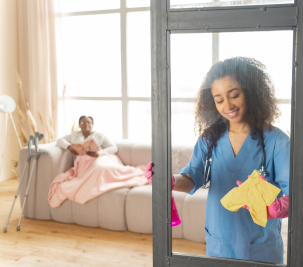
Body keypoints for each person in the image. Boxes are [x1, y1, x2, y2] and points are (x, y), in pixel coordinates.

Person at [147, 57, 289, 263]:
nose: (228, 105)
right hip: (219, 243)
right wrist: (170, 181)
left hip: (261, 247)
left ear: (251, 92)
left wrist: (281, 206)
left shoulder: (277, 141)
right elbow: (192, 178)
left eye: (234, 95)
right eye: (219, 99)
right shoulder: (209, 139)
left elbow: (301, 194)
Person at [49, 115, 148, 208]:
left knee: (101, 167)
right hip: (83, 162)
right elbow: (59, 141)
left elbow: (113, 147)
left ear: (92, 124)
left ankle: (137, 172)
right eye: (83, 122)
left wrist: (98, 154)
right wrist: (69, 147)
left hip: (100, 157)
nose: (86, 124)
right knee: (97, 169)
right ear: (79, 125)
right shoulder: (74, 135)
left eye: (89, 122)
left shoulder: (99, 135)